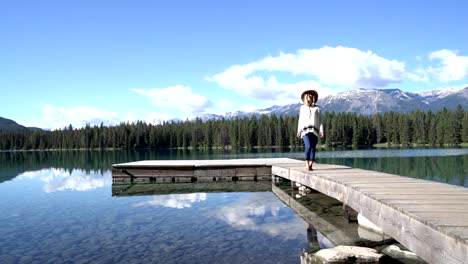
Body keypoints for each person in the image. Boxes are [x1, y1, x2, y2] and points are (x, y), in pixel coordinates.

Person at [297, 90, 324, 171]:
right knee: (308, 146)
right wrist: (298, 130)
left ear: (313, 97)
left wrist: (321, 130)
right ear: (305, 97)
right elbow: (300, 120)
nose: (309, 95)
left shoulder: (317, 108)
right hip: (305, 130)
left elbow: (320, 120)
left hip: (315, 130)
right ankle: (306, 162)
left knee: (313, 148)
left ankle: (311, 164)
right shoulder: (302, 107)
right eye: (307, 94)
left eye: (311, 95)